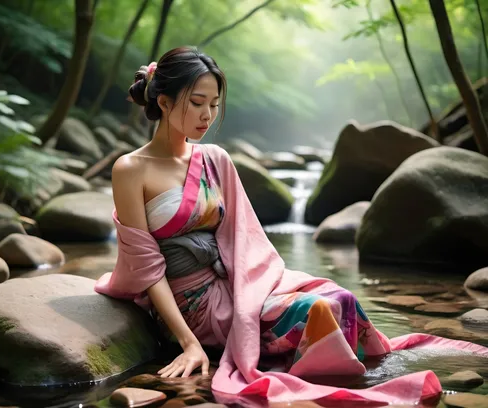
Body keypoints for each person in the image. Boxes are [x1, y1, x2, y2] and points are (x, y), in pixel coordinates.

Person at [95, 46, 487, 406]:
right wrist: (188, 343)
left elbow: (245, 239)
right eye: (197, 103)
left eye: (214, 104)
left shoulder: (215, 158)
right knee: (313, 312)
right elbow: (146, 267)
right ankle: (332, 383)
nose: (207, 116)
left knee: (341, 301)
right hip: (189, 304)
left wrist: (257, 287)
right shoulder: (131, 170)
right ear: (163, 102)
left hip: (234, 282)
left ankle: (336, 368)